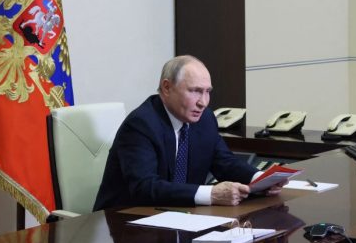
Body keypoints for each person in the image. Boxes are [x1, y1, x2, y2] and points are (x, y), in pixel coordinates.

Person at [94, 56, 286, 211]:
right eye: (195, 91)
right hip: (123, 223)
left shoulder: (205, 119)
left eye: (207, 92)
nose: (203, 102)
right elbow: (145, 187)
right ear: (167, 87)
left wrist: (262, 179)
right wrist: (211, 194)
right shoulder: (141, 124)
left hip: (180, 216)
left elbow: (225, 163)